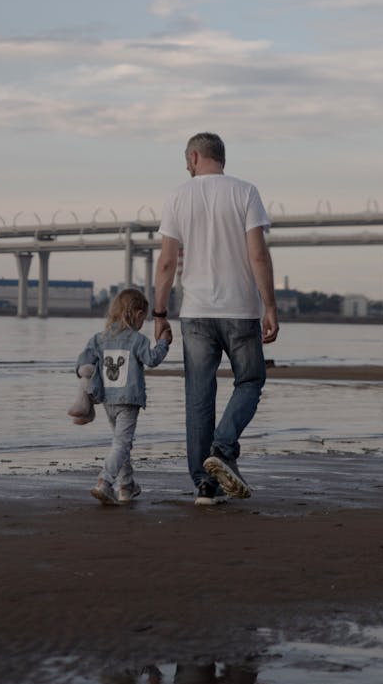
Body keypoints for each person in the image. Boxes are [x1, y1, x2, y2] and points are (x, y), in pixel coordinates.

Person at [152, 132, 279, 505]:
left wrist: (159, 314)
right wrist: (270, 305)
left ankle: (204, 486)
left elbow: (166, 262)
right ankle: (222, 449)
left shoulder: (177, 196)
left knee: (198, 397)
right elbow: (258, 255)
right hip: (240, 309)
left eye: (186, 160)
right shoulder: (245, 192)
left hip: (195, 313)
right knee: (251, 380)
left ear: (194, 157)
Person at [75, 287, 172, 505]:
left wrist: (84, 383)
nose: (142, 324)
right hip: (128, 401)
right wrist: (164, 342)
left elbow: (83, 363)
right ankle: (105, 481)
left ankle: (126, 486)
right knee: (121, 444)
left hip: (108, 400)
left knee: (121, 443)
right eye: (143, 319)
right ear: (137, 314)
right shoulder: (138, 340)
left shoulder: (99, 339)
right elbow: (152, 359)